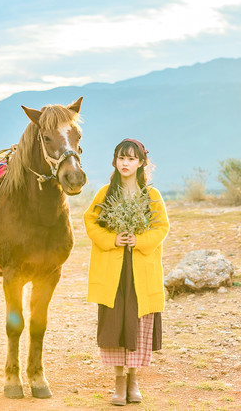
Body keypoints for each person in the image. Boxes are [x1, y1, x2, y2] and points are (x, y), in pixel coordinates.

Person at [83, 138, 169, 406]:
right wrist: (113, 240)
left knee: (137, 323)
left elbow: (161, 227)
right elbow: (90, 221)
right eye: (121, 158)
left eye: (131, 158)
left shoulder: (151, 195)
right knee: (115, 325)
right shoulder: (105, 193)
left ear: (142, 162)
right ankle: (119, 382)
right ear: (115, 161)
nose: (125, 163)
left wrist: (139, 241)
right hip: (114, 273)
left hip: (141, 272)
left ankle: (134, 381)